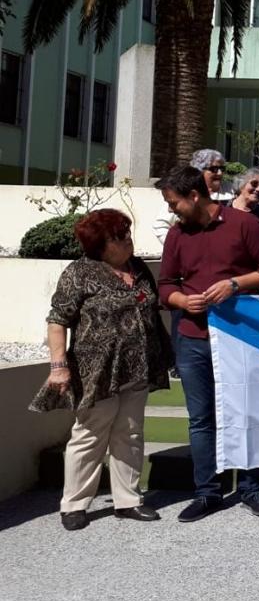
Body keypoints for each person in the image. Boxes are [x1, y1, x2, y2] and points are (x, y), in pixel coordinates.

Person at [157, 165, 259, 522]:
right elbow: (165, 285)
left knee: (248, 413)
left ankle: (251, 488)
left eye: (173, 202)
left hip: (242, 338)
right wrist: (182, 302)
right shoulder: (177, 235)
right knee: (201, 420)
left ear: (194, 196)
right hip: (194, 338)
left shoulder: (243, 223)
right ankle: (207, 493)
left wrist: (235, 284)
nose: (171, 209)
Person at [32, 209, 172, 530]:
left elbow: (152, 311)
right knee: (89, 435)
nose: (128, 239)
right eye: (119, 236)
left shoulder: (138, 269)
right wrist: (58, 367)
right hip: (95, 370)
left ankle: (128, 500)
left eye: (127, 232)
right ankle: (74, 504)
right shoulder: (80, 273)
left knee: (130, 433)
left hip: (137, 367)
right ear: (100, 243)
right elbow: (58, 321)